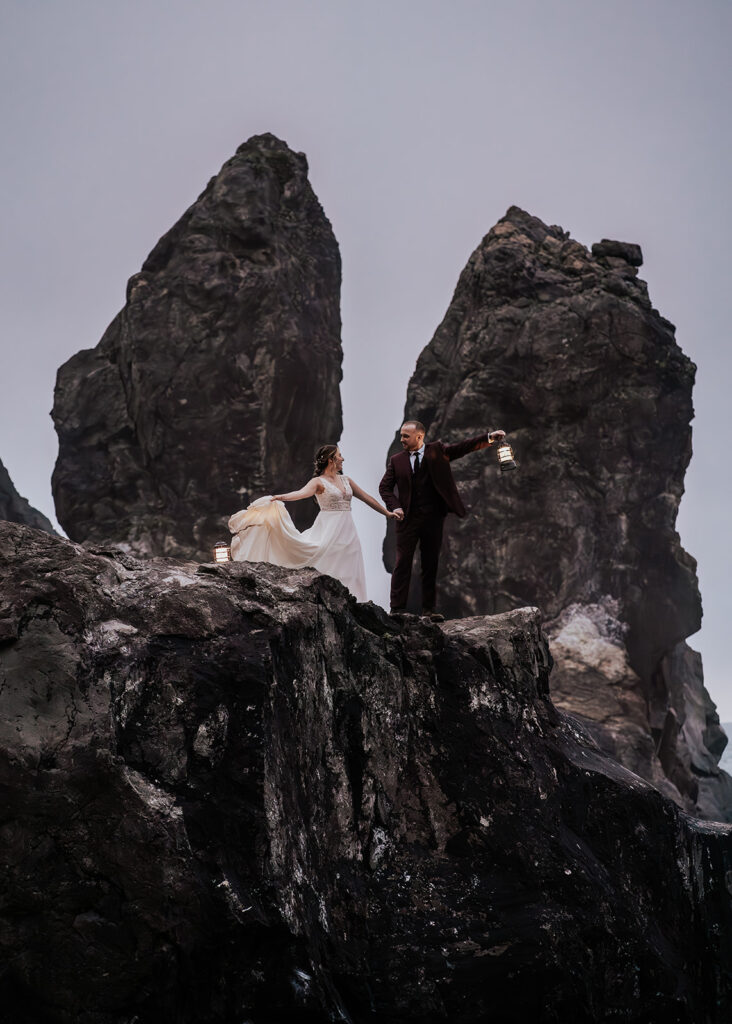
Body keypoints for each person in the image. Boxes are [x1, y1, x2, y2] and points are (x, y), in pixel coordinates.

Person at [228, 444, 399, 602]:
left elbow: (366, 498)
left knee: (351, 567)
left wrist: (387, 513)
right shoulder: (318, 481)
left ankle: (355, 603)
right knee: (321, 555)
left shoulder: (346, 480)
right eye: (340, 456)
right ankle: (326, 599)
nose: (343, 459)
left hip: (348, 531)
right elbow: (301, 493)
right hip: (328, 528)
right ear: (331, 459)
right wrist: (280, 497)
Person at [379, 420, 506, 619]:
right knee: (402, 562)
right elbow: (384, 488)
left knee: (430, 563)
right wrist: (395, 506)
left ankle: (429, 610)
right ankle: (396, 609)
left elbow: (463, 447)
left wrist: (489, 438)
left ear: (419, 436)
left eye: (406, 436)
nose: (402, 439)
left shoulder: (437, 451)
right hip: (407, 520)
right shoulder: (397, 460)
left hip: (433, 518)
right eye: (401, 435)